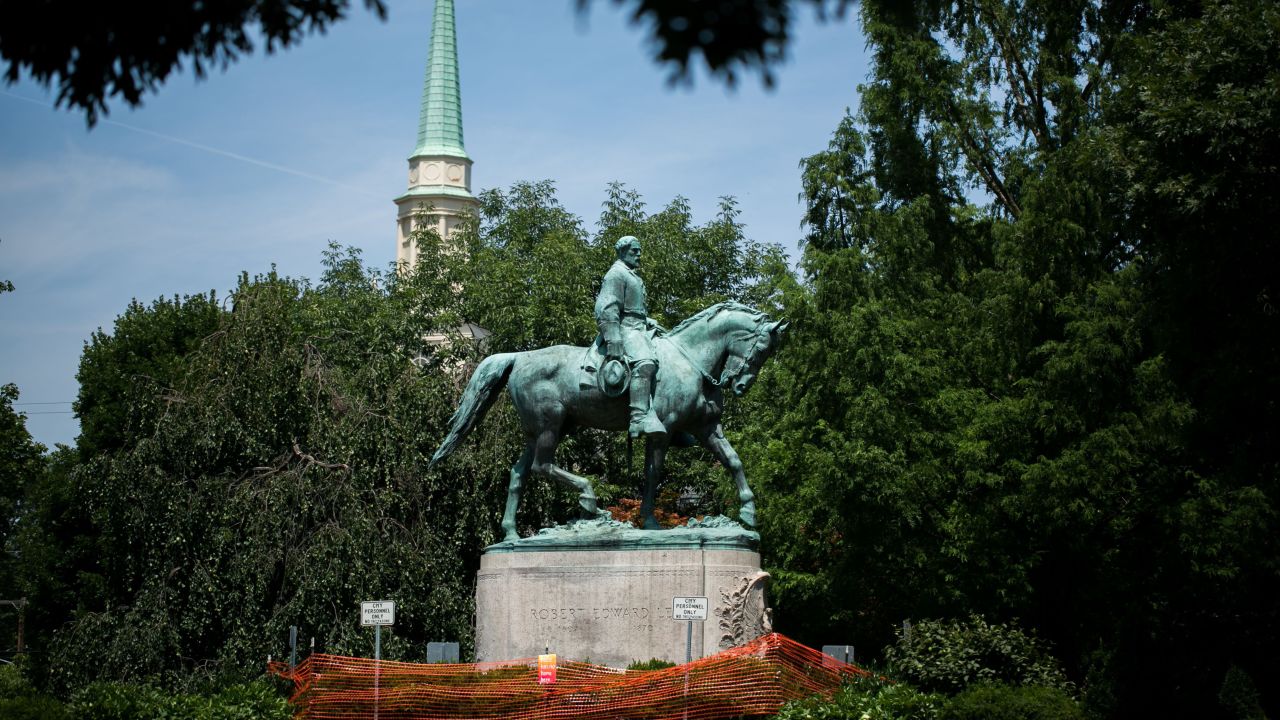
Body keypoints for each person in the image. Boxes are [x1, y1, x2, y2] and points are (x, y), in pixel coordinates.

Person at [595, 236, 666, 438]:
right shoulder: (616, 274)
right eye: (635, 251)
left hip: (640, 327)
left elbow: (632, 308)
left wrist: (647, 320)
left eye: (639, 251)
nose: (639, 255)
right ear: (623, 252)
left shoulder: (631, 275)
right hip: (625, 330)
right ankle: (638, 419)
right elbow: (606, 308)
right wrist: (613, 339)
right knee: (646, 363)